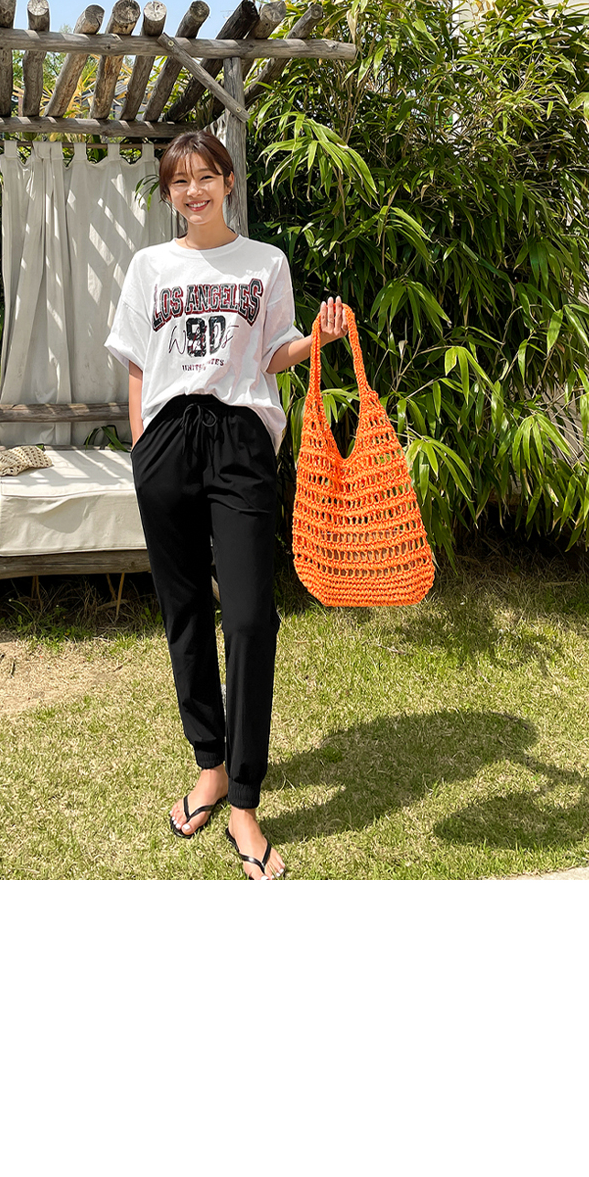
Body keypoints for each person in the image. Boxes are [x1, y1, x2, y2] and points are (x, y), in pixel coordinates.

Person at [105, 131, 347, 880]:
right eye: (179, 182)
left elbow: (272, 352)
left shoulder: (264, 262)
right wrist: (142, 446)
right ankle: (209, 765)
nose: (194, 192)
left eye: (205, 177)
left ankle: (244, 798)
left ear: (230, 181)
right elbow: (138, 362)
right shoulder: (150, 266)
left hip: (240, 439)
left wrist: (316, 340)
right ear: (168, 193)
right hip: (167, 442)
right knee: (183, 612)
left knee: (247, 618)